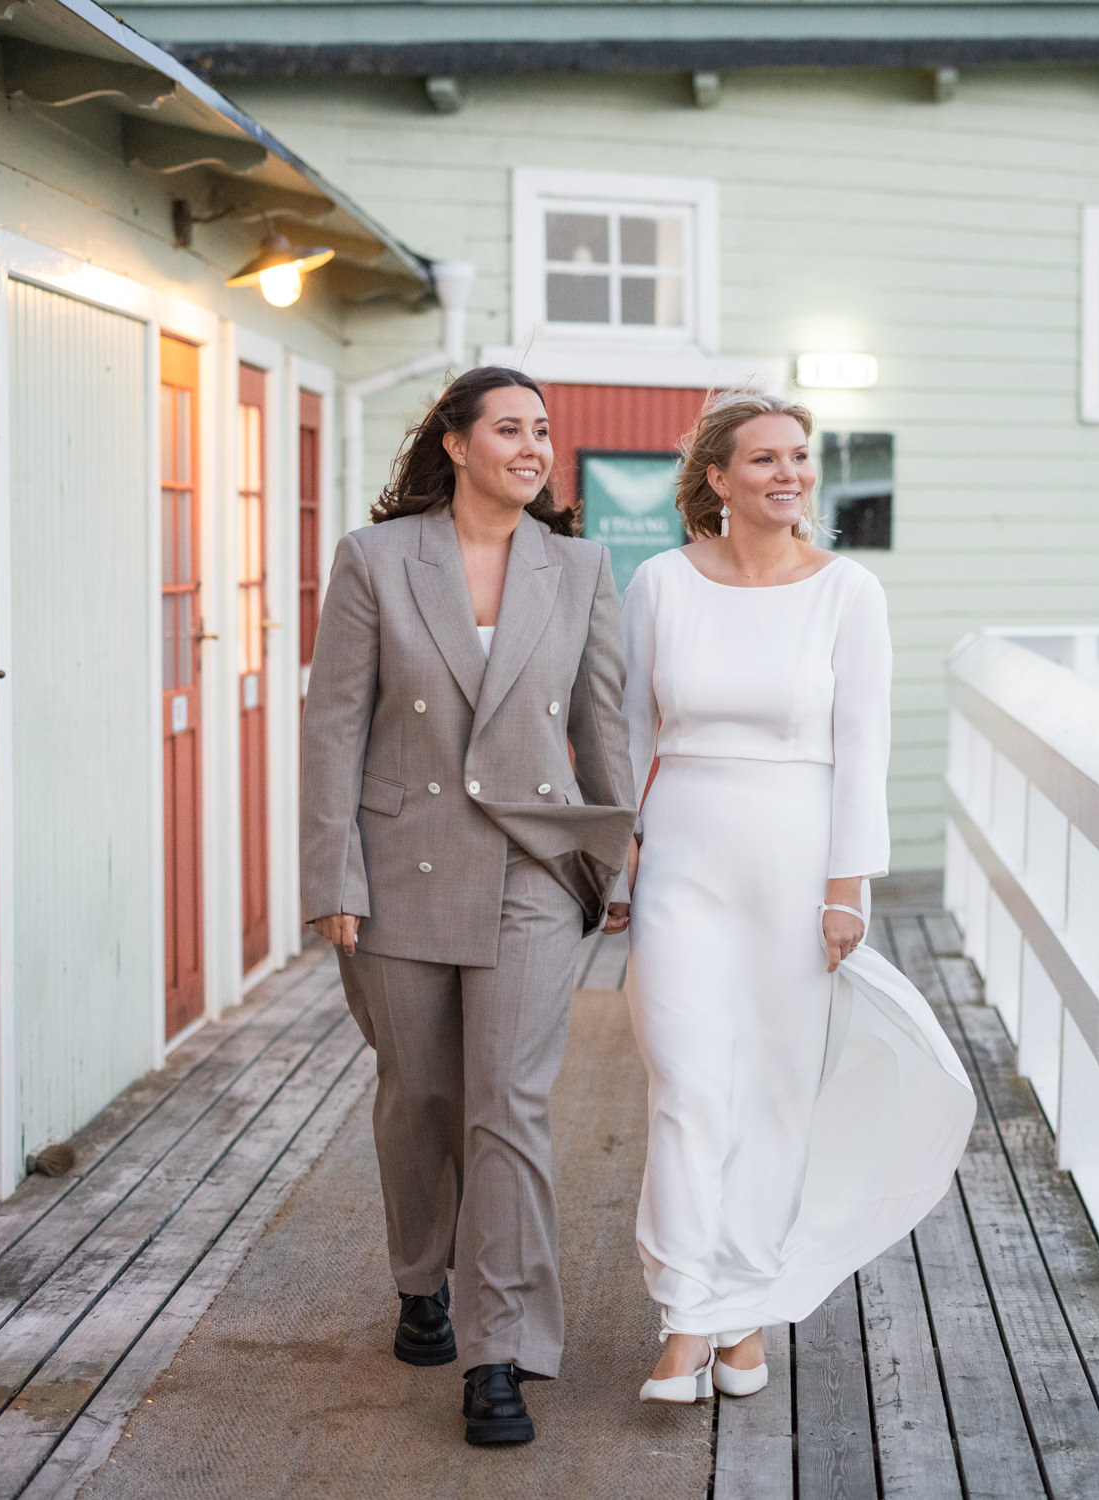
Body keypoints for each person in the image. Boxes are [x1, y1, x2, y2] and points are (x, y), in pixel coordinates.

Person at [613, 391, 975, 1403]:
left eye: (800, 458)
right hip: (683, 854)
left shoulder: (847, 592)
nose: (790, 474)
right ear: (718, 477)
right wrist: (618, 861)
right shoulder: (658, 583)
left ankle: (740, 1320)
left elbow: (864, 747)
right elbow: (630, 732)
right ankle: (686, 1317)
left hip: (796, 855)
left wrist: (845, 888)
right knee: (686, 1084)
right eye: (764, 457)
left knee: (774, 1093)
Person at [301, 366, 637, 1445]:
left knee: (508, 1107)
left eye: (544, 429)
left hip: (534, 869)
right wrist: (332, 877)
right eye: (510, 428)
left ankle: (501, 1354)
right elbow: (331, 730)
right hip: (402, 868)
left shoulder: (580, 566)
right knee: (423, 1096)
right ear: (455, 442)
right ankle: (419, 1278)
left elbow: (604, 726)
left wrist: (616, 860)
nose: (535, 446)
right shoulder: (376, 559)